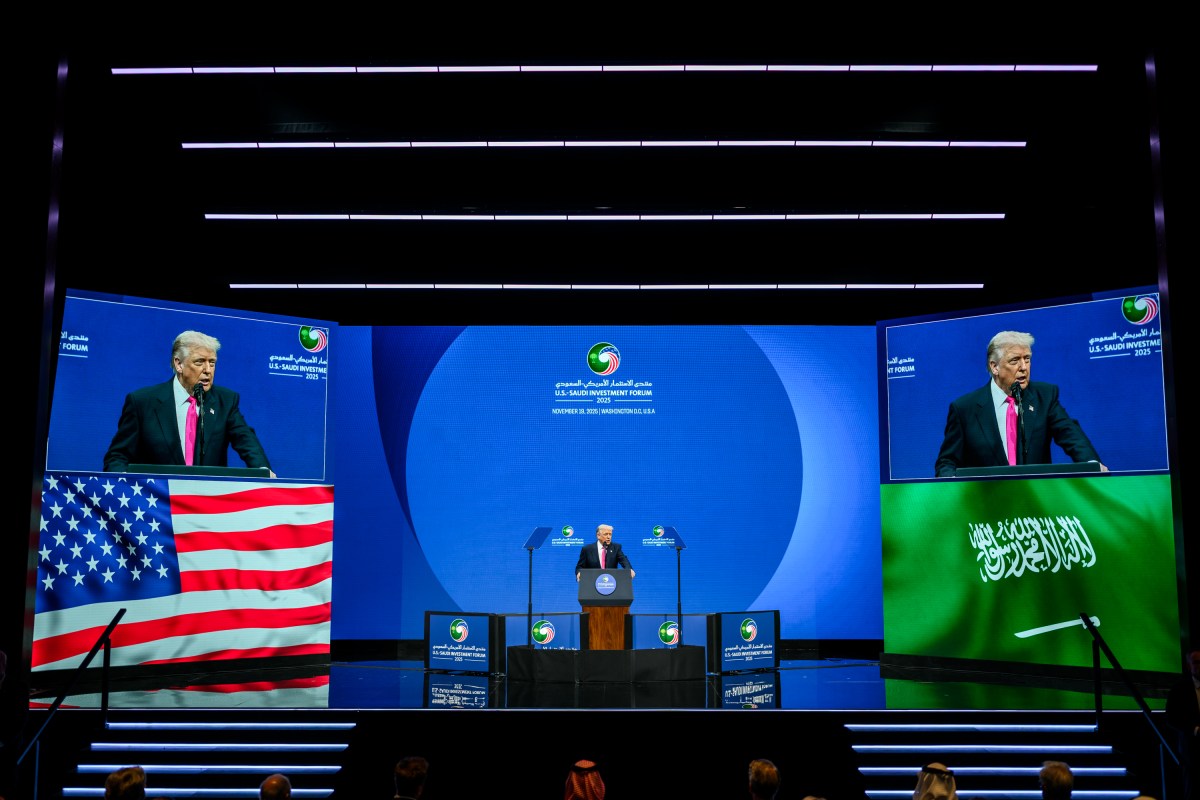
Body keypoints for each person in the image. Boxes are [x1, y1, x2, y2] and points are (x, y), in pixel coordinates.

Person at [934, 330, 1107, 477]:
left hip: (1034, 500)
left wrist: (1091, 465)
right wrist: (953, 484)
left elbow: (1071, 436)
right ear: (994, 367)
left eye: (1027, 359)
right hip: (985, 502)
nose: (1024, 367)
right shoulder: (964, 409)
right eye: (1015, 360)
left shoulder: (1044, 397)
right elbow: (947, 462)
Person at [103, 330, 275, 476]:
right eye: (199, 362)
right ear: (178, 364)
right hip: (158, 500)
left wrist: (263, 471)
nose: (208, 370)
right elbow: (117, 456)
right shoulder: (142, 402)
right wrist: (123, 483)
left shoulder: (226, 401)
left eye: (212, 363)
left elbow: (246, 442)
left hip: (206, 500)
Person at [1166, 650, 1200, 800]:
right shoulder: (1179, 689)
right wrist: (1195, 729)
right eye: (1196, 662)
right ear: (1188, 666)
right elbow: (1171, 718)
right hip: (1190, 751)